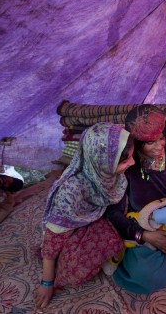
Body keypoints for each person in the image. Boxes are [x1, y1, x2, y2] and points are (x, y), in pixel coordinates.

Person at [34, 122, 135, 309]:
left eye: (131, 157)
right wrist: (47, 282)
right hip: (68, 233)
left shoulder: (110, 175)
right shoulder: (72, 192)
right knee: (73, 270)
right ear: (102, 160)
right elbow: (53, 237)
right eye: (125, 161)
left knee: (111, 234)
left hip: (93, 221)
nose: (133, 163)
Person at [105, 104, 166, 294]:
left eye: (161, 138)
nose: (159, 146)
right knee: (143, 275)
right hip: (145, 232)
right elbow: (113, 213)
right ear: (137, 144)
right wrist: (146, 236)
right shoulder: (127, 168)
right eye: (150, 143)